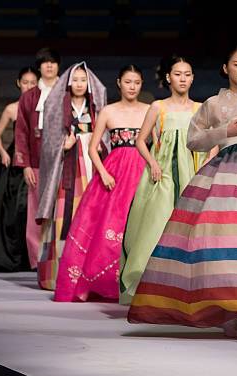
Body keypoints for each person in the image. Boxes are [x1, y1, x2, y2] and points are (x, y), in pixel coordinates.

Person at [127, 46, 237, 341]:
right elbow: (194, 140)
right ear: (225, 68)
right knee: (228, 238)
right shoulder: (213, 104)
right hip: (225, 173)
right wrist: (224, 131)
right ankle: (236, 310)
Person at [119, 55, 210, 305]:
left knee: (191, 230)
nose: (183, 78)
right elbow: (140, 140)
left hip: (192, 175)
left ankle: (188, 287)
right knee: (155, 228)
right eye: (178, 74)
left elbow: (213, 142)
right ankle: (149, 286)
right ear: (168, 78)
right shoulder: (158, 107)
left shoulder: (200, 108)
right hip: (163, 175)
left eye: (188, 74)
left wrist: (205, 165)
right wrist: (153, 163)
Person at [54, 65, 148, 302]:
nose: (132, 87)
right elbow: (92, 147)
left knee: (142, 224)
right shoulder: (108, 111)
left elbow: (155, 144)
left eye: (136, 82)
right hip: (114, 171)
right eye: (128, 82)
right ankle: (103, 282)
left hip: (142, 170)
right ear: (119, 83)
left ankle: (139, 283)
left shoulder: (150, 110)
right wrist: (103, 172)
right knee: (108, 224)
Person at [35, 62, 108, 290]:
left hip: (90, 164)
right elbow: (48, 142)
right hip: (66, 168)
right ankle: (56, 276)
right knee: (62, 217)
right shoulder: (57, 105)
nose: (78, 84)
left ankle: (87, 274)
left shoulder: (95, 107)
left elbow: (105, 138)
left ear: (89, 84)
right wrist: (62, 146)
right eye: (74, 79)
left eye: (83, 79)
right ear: (68, 83)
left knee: (90, 216)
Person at [0, 66, 39, 271]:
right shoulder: (11, 108)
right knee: (10, 209)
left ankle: (30, 258)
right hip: (14, 161)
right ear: (18, 83)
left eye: (33, 83)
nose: (29, 86)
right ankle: (9, 257)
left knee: (29, 209)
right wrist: (3, 152)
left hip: (35, 159)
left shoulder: (41, 107)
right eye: (25, 82)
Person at [14, 48, 60, 270]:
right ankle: (38, 262)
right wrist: (25, 165)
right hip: (37, 161)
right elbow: (21, 131)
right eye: (45, 63)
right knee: (36, 212)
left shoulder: (68, 92)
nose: (49, 66)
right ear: (39, 67)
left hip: (64, 161)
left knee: (62, 211)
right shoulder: (29, 97)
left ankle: (61, 260)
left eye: (53, 62)